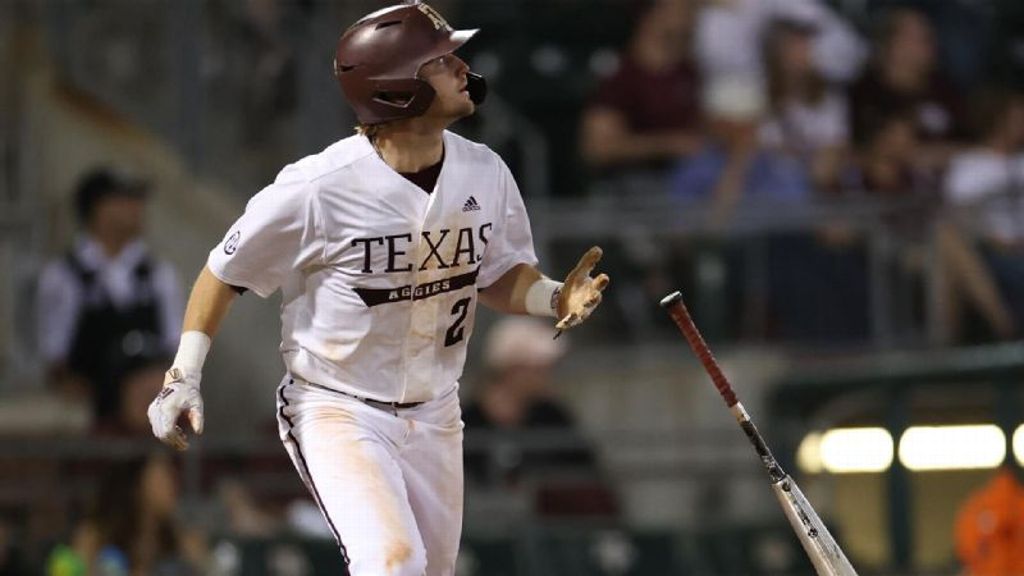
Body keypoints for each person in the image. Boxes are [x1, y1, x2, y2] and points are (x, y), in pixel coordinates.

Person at [146, 4, 610, 576]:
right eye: (441, 61)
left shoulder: (485, 171)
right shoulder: (318, 188)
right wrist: (183, 376)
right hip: (338, 405)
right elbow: (224, 272)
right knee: (392, 564)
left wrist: (554, 297)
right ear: (396, 90)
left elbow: (496, 275)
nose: (462, 67)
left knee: (426, 570)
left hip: (438, 409)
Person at [36, 168, 183, 430]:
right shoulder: (63, 277)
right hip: (94, 412)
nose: (137, 208)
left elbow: (175, 350)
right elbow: (55, 357)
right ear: (99, 209)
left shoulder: (159, 275)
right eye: (125, 199)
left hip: (151, 407)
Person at [462, 318, 615, 517]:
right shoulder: (467, 419)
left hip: (551, 534)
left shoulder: (551, 415)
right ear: (512, 370)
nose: (547, 375)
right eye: (538, 368)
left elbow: (588, 475)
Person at [46, 452, 208, 576]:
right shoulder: (95, 535)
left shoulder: (183, 540)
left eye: (172, 479)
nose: (172, 487)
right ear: (138, 487)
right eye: (162, 480)